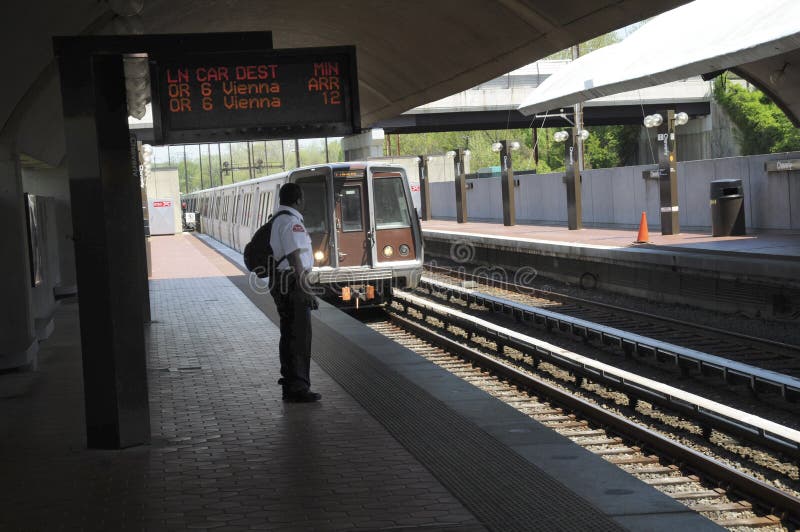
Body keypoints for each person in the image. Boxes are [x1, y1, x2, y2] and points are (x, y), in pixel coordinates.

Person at [269, 182, 321, 403]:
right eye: (303, 198)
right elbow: (295, 259)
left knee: (290, 334)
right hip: (292, 283)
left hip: (284, 282)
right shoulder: (292, 223)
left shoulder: (278, 220)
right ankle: (298, 387)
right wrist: (307, 290)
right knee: (299, 336)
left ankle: (291, 383)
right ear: (298, 200)